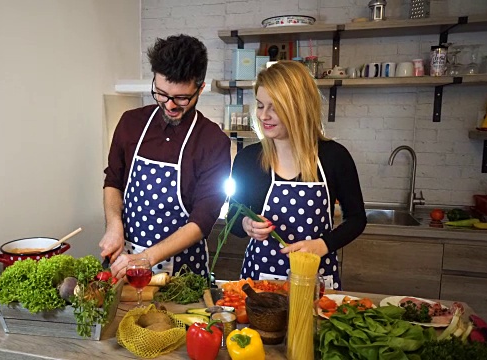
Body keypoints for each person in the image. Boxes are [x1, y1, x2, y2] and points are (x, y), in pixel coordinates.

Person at [100, 34, 231, 280]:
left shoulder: (214, 142)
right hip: (123, 262)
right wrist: (114, 224)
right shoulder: (130, 123)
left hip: (183, 275)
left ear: (200, 88)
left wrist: (147, 258)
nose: (170, 105)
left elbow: (203, 219)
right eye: (161, 93)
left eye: (181, 98)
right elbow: (113, 181)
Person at [228, 60, 366, 290]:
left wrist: (323, 245)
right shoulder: (248, 160)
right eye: (260, 105)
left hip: (316, 280)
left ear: (299, 107)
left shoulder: (334, 157)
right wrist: (246, 224)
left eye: (275, 107)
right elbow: (233, 214)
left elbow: (357, 218)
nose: (264, 116)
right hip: (261, 282)